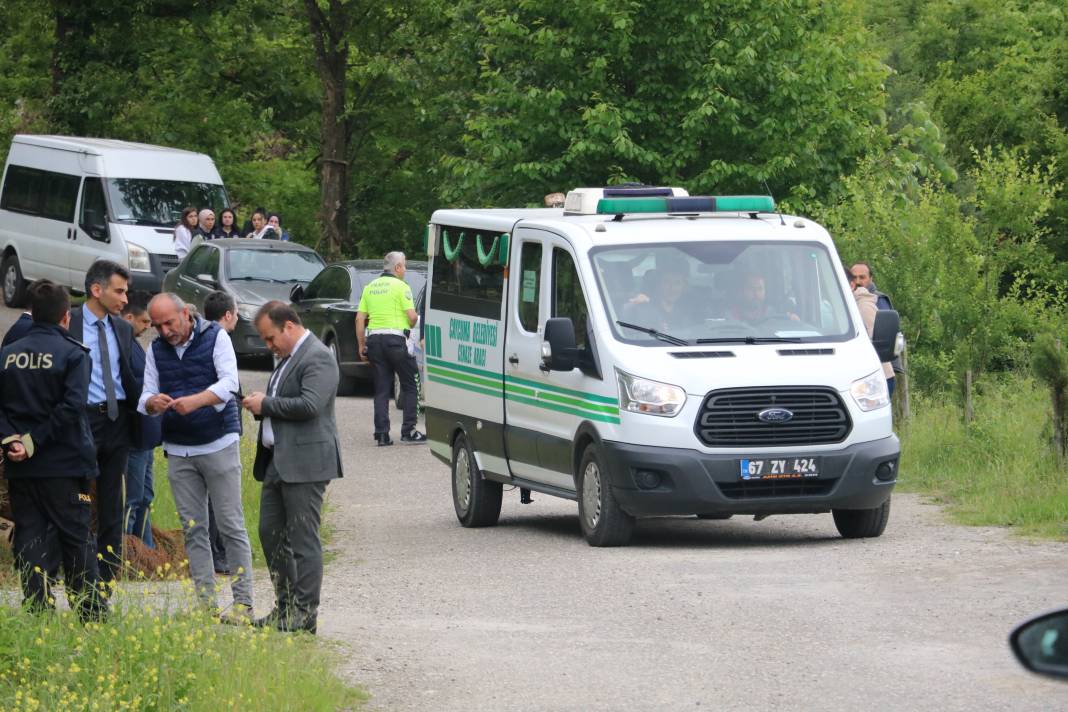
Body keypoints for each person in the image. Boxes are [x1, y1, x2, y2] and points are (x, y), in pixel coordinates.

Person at [138, 293, 254, 622]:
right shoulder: (156, 349)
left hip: (218, 441)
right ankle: (206, 605)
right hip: (178, 448)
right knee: (194, 529)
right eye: (158, 326)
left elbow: (230, 383)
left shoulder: (216, 336)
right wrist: (152, 404)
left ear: (186, 313)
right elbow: (145, 393)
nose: (164, 331)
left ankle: (244, 603)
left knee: (231, 525)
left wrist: (197, 401)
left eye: (169, 323)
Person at [0, 280, 107, 621]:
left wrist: (13, 442)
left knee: (29, 538)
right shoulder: (74, 354)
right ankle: (90, 613)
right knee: (76, 538)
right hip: (64, 465)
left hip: (21, 466)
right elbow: (72, 408)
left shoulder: (6, 355)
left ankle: (38, 612)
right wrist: (33, 442)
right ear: (66, 317)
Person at [242, 301, 343, 634]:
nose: (268, 346)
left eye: (270, 338)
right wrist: (262, 405)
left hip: (306, 464)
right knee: (270, 533)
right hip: (277, 461)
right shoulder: (287, 358)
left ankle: (304, 614)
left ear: (288, 326)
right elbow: (288, 402)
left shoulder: (318, 356)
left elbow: (310, 405)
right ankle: (285, 607)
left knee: (303, 539)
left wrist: (266, 404)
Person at [69, 260, 141, 589]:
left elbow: (130, 373)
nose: (125, 299)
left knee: (114, 501)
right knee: (78, 497)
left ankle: (107, 576)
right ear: (97, 290)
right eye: (119, 291)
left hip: (116, 421)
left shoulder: (122, 328)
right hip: (81, 421)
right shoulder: (68, 321)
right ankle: (76, 570)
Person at [355, 252, 425, 446]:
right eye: (404, 266)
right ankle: (408, 431)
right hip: (396, 341)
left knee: (382, 389)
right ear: (397, 268)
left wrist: (362, 346)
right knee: (411, 384)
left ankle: (382, 434)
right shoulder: (402, 287)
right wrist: (413, 325)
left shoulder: (370, 288)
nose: (405, 270)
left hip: (375, 342)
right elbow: (411, 317)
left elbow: (359, 319)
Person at [202, 289, 240, 575]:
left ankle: (214, 550)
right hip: (217, 428)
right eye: (236, 313)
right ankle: (220, 552)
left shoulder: (200, 338)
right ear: (228, 315)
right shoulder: (220, 338)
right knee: (221, 497)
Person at [121, 292, 160, 548]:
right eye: (144, 322)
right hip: (133, 435)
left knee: (146, 495)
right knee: (131, 498)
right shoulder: (122, 344)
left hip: (146, 435)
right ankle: (125, 552)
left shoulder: (134, 343)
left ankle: (146, 549)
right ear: (129, 317)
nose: (148, 327)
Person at [851, 262, 899, 397]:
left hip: (877, 370)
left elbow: (884, 337)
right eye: (854, 277)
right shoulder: (850, 300)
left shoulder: (875, 301)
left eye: (862, 277)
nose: (858, 281)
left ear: (871, 279)